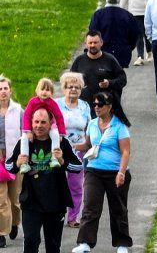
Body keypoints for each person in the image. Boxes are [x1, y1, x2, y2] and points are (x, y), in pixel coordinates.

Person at [5, 108, 81, 253]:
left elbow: (78, 167)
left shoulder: (61, 142)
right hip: (31, 202)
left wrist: (62, 160)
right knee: (30, 242)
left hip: (55, 203)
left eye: (43, 122)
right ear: (31, 122)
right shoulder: (24, 142)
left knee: (53, 246)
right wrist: (17, 164)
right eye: (36, 122)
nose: (39, 126)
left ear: (51, 123)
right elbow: (9, 166)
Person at [71, 91, 131, 253]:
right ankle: (85, 242)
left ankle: (122, 244)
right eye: (94, 104)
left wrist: (121, 173)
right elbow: (88, 145)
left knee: (118, 208)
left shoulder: (119, 126)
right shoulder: (92, 123)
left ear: (110, 107)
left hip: (115, 172)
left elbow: (125, 151)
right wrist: (72, 146)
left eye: (100, 105)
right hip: (94, 170)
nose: (96, 107)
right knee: (90, 206)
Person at [56, 74, 89, 229]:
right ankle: (57, 214)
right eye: (70, 87)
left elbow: (89, 127)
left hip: (78, 149)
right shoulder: (56, 104)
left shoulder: (85, 106)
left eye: (77, 87)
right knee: (56, 182)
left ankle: (73, 217)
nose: (74, 90)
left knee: (76, 185)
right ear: (64, 89)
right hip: (59, 150)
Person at [70, 33, 127, 114]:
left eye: (95, 42)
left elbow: (123, 79)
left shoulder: (110, 60)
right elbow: (69, 82)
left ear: (101, 43)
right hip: (84, 109)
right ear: (85, 44)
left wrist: (109, 83)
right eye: (90, 43)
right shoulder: (79, 61)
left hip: (105, 109)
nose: (92, 45)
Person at [18, 80, 66, 173]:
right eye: (42, 89)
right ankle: (24, 162)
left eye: (48, 90)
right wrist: (28, 131)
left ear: (51, 93)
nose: (44, 92)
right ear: (37, 91)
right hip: (33, 127)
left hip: (49, 126)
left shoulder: (52, 103)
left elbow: (59, 117)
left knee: (55, 135)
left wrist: (61, 133)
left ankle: (54, 158)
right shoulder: (33, 101)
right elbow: (27, 115)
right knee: (23, 138)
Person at [88, 0, 138, 70]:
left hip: (102, 52)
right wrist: (128, 47)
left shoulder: (98, 15)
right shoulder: (128, 15)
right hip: (122, 53)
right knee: (118, 78)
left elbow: (92, 33)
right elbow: (134, 34)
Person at [0, 76, 23, 247]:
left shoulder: (18, 110)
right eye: (0, 89)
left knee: (15, 198)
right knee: (1, 199)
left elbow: (26, 134)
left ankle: (15, 223)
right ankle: (1, 232)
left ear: (10, 91)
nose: (3, 92)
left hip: (14, 159)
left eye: (5, 88)